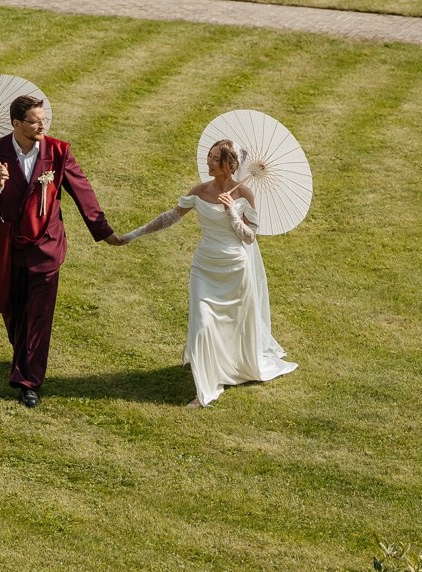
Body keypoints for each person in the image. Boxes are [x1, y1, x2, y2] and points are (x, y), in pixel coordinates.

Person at [116, 139, 296, 407]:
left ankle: (228, 368)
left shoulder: (244, 194)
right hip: (204, 268)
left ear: (230, 165)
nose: (208, 162)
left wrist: (232, 214)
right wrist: (132, 235)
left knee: (234, 325)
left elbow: (249, 238)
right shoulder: (200, 191)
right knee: (202, 325)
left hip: (235, 269)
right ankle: (207, 386)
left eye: (215, 159)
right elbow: (170, 217)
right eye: (209, 157)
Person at [0, 94, 120, 407]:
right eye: (35, 121)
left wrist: (103, 231)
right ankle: (24, 353)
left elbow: (83, 192)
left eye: (43, 120)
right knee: (12, 309)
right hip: (8, 245)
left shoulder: (59, 151)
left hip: (46, 245)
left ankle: (28, 381)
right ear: (16, 124)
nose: (42, 125)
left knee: (38, 314)